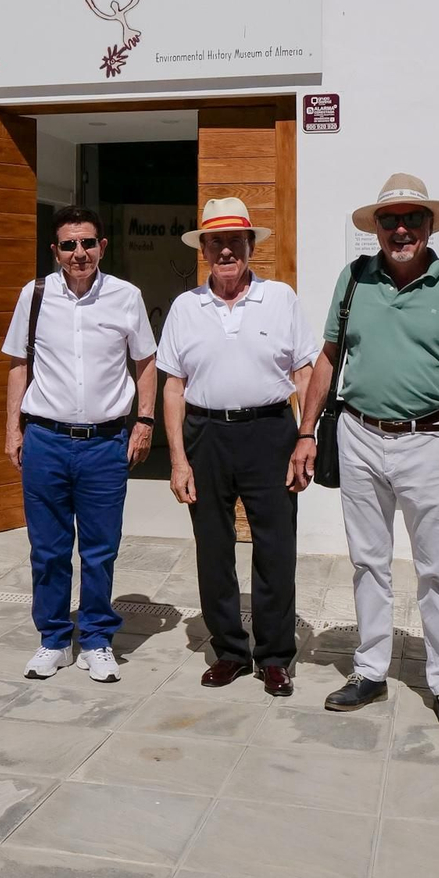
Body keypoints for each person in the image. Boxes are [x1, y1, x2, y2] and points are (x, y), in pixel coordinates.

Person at [290, 173, 439, 732]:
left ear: (429, 226)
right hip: (360, 435)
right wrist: (306, 431)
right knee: (368, 561)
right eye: (390, 220)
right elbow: (327, 358)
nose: (401, 229)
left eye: (412, 219)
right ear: (376, 228)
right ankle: (370, 669)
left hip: (430, 438)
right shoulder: (353, 280)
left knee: (435, 568)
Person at [158, 197, 319, 696]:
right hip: (205, 435)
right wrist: (178, 458)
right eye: (215, 242)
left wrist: (304, 436)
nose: (226, 250)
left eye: (235, 241)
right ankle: (229, 650)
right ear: (203, 249)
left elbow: (306, 370)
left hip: (270, 431)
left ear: (250, 246)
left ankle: (274, 655)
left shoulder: (281, 298)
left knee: (275, 546)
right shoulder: (186, 307)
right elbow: (172, 386)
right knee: (213, 546)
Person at [2, 206, 156, 683]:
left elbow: (146, 362)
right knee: (47, 548)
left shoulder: (126, 297)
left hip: (104, 443)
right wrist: (12, 428)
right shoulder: (35, 295)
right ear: (55, 251)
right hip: (46, 439)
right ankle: (52, 639)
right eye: (69, 245)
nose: (79, 253)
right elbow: (17, 365)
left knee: (99, 548)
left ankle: (95, 638)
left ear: (102, 247)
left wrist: (144, 422)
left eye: (88, 243)